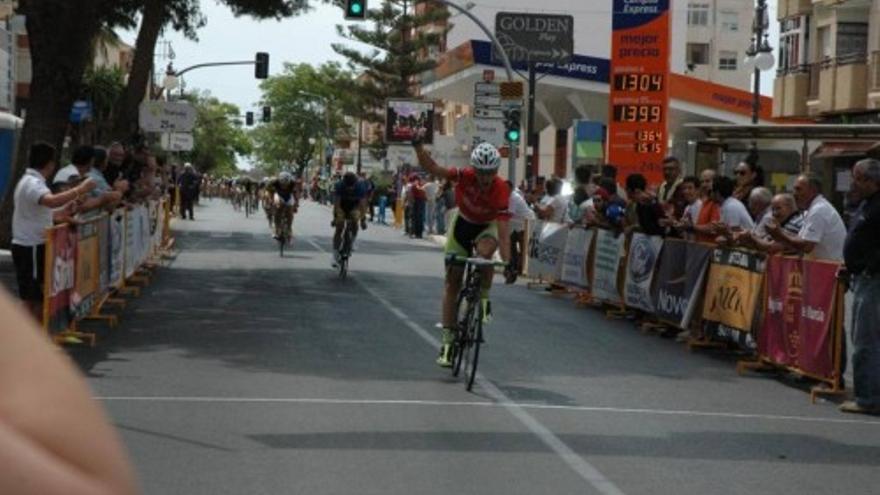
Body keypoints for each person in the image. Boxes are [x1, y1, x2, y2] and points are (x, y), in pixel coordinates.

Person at [412, 139, 516, 367]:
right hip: (462, 224)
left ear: (496, 171)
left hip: (485, 227)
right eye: (481, 172)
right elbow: (434, 169)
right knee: (452, 282)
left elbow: (504, 233)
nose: (485, 178)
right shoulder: (464, 175)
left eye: (489, 173)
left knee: (485, 255)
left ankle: (485, 296)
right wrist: (419, 148)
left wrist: (508, 263)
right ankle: (448, 343)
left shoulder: (501, 190)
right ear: (474, 169)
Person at [11, 142, 96, 321]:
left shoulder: (34, 182)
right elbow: (52, 201)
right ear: (50, 164)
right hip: (30, 245)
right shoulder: (32, 183)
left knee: (37, 296)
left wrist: (67, 210)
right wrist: (80, 189)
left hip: (35, 244)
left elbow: (48, 211)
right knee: (31, 297)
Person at [841, 159, 880, 414]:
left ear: (870, 180)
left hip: (873, 279)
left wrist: (867, 266)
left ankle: (868, 398)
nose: (853, 183)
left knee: (866, 340)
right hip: (863, 277)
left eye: (857, 178)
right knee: (863, 337)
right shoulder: (867, 204)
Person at [767, 173, 847, 262]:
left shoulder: (819, 210)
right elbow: (800, 239)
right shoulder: (812, 209)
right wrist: (779, 233)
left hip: (831, 270)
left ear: (813, 190)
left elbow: (806, 246)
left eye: (798, 189)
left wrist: (780, 235)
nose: (794, 194)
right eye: (794, 189)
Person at [332, 171, 368, 265]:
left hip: (354, 206)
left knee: (355, 220)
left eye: (352, 186)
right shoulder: (339, 185)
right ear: (344, 183)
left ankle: (352, 241)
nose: (350, 188)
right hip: (342, 207)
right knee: (339, 227)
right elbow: (337, 204)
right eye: (348, 186)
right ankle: (335, 254)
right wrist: (335, 217)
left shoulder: (360, 187)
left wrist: (363, 219)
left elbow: (362, 205)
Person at [507, 180, 535, 274]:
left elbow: (509, 213)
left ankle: (523, 268)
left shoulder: (514, 197)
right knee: (511, 244)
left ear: (510, 188)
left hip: (525, 223)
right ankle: (514, 265)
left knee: (523, 246)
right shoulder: (508, 195)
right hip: (516, 225)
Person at [268, 171, 299, 242]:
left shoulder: (292, 183)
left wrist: (296, 204)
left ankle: (289, 228)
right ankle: (276, 228)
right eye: (282, 184)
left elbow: (296, 194)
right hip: (278, 195)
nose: (284, 186)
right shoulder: (274, 182)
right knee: (277, 211)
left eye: (286, 185)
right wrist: (270, 200)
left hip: (289, 196)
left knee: (290, 212)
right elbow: (269, 191)